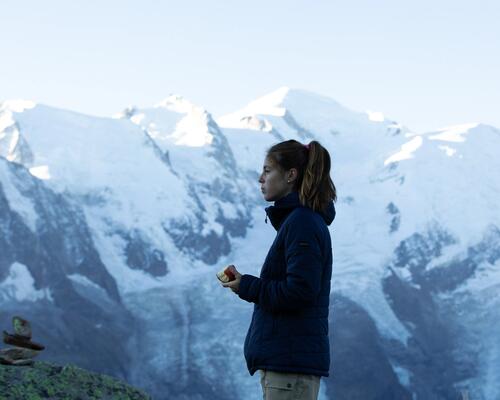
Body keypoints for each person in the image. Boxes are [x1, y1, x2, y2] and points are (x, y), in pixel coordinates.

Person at [221, 139, 337, 400]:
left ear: (290, 175)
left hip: (290, 367)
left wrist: (247, 286)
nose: (260, 179)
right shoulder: (300, 221)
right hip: (287, 365)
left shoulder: (303, 223)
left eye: (267, 171)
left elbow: (300, 291)